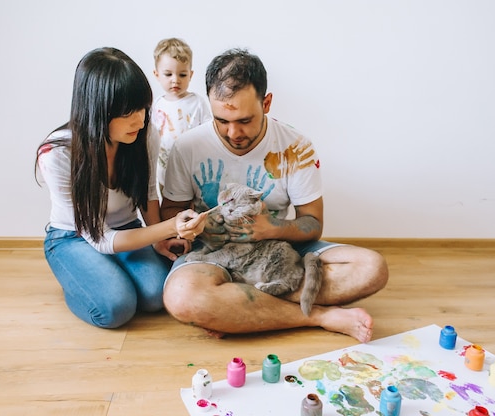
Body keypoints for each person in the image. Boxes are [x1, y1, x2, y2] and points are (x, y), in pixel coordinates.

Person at [160, 48, 389, 343]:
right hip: (214, 258)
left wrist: (272, 229)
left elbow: (312, 223)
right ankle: (319, 316)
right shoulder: (187, 146)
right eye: (221, 120)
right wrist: (187, 226)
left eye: (244, 120)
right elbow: (171, 212)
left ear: (266, 103)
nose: (232, 133)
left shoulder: (296, 147)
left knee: (372, 268)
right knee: (181, 297)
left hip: (277, 256)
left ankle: (240, 309)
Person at [35, 47, 206, 329]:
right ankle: (76, 282)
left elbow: (149, 193)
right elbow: (101, 240)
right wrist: (169, 227)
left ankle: (104, 276)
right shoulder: (57, 154)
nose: (139, 120)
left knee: (154, 296)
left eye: (142, 108)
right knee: (116, 308)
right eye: (128, 112)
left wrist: (158, 240)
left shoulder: (143, 133)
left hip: (126, 228)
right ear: (97, 110)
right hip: (72, 237)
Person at [151, 37, 212, 190]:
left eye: (182, 75)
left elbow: (208, 131)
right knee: (167, 200)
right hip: (164, 168)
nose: (175, 80)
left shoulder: (197, 102)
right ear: (157, 74)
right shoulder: (157, 105)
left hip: (192, 165)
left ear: (190, 75)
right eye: (168, 74)